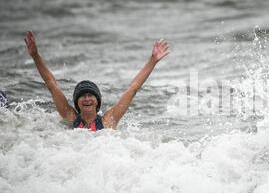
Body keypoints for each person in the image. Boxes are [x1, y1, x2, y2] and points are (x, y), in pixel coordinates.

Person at [24, 31, 170, 131]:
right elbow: (51, 84)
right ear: (77, 102)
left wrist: (152, 61)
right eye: (82, 95)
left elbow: (133, 88)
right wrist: (36, 56)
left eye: (90, 95)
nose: (87, 99)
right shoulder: (70, 117)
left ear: (97, 100)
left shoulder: (108, 121)